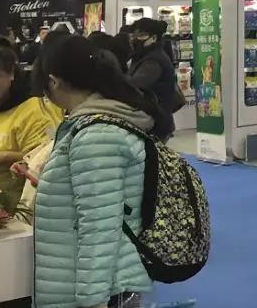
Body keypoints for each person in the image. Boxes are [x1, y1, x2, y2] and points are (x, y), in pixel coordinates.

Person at [31, 32, 167, 308]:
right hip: (98, 283)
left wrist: (93, 300)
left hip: (101, 290)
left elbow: (100, 227)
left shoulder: (96, 136)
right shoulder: (95, 125)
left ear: (54, 82)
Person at [0, 35, 61, 208]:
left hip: (18, 209)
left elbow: (46, 161)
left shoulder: (33, 111)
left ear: (11, 74)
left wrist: (6, 157)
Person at [128, 17, 182, 137]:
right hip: (155, 118)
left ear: (153, 38)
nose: (135, 39)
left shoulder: (154, 61)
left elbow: (135, 84)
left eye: (141, 35)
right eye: (133, 36)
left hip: (156, 122)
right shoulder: (144, 56)